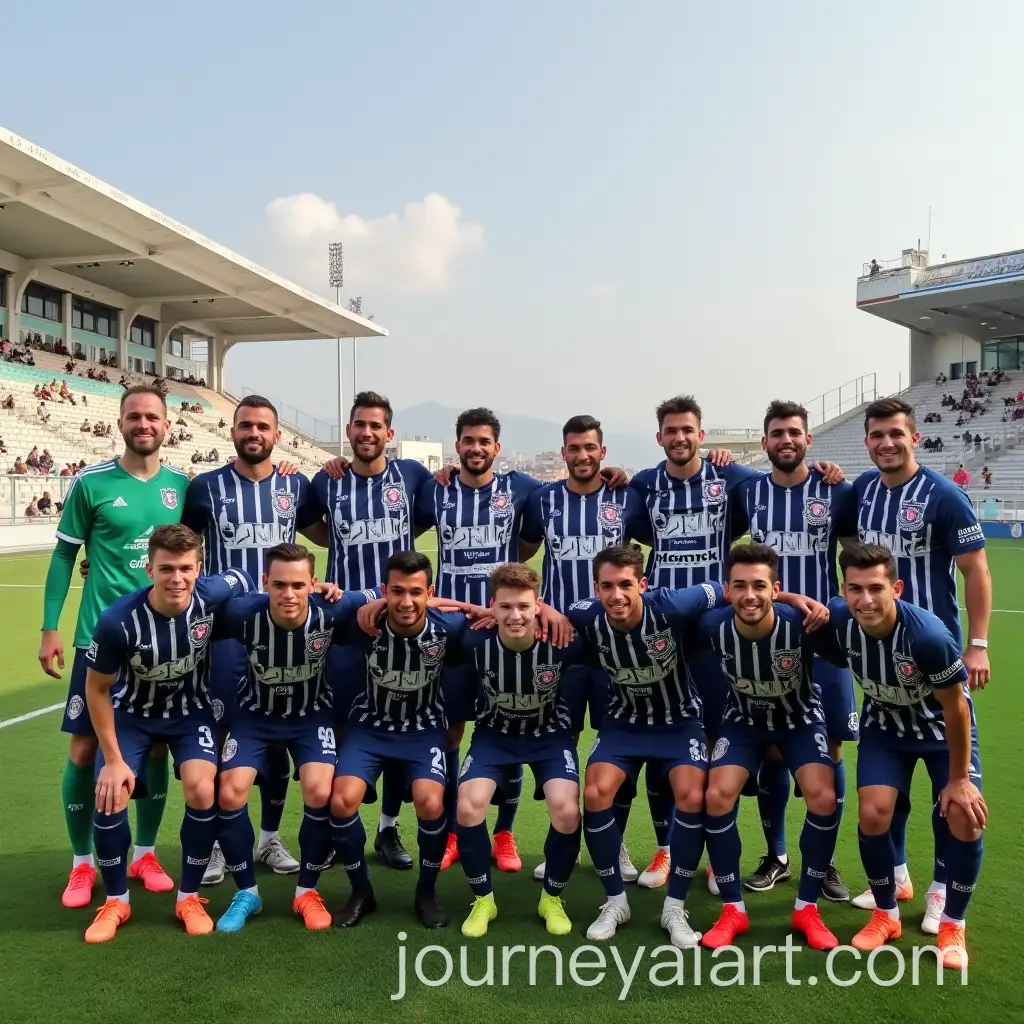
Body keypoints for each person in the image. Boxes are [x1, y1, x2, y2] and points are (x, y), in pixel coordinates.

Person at [627, 395, 839, 889]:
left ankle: (769, 855)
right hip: (669, 631)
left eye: (688, 429)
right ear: (659, 437)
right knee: (672, 737)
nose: (680, 437)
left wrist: (825, 469)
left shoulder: (732, 479)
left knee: (766, 740)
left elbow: (785, 475)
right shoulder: (642, 485)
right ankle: (669, 850)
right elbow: (623, 517)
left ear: (702, 435)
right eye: (671, 430)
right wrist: (613, 474)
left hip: (728, 629)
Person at [39, 385, 190, 910]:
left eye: (152, 417)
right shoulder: (91, 483)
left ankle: (144, 854)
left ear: (166, 426)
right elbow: (65, 556)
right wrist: (49, 627)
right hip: (98, 640)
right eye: (134, 416)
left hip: (162, 642)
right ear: (120, 423)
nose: (143, 424)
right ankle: (82, 864)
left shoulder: (182, 487)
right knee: (84, 750)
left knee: (155, 747)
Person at [850, 397, 990, 932]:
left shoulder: (944, 495)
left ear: (914, 438)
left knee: (951, 795)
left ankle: (941, 891)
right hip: (881, 662)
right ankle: (897, 877)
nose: (886, 443)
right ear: (867, 441)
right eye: (877, 435)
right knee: (884, 794)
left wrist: (977, 643)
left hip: (934, 656)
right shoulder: (862, 491)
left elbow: (976, 570)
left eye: (896, 434)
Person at [81, 524, 253, 943]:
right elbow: (97, 689)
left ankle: (188, 897)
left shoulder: (210, 594)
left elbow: (243, 578)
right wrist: (113, 760)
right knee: (111, 793)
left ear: (199, 569)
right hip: (132, 715)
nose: (177, 578)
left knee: (202, 789)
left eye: (186, 568)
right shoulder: (118, 620)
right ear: (149, 570)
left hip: (191, 713)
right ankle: (117, 900)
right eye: (166, 569)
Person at [817, 544, 985, 969]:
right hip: (885, 728)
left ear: (896, 588)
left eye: (876, 588)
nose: (866, 600)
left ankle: (953, 924)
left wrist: (959, 781)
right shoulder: (839, 622)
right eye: (855, 589)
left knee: (964, 816)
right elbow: (788, 612)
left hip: (940, 730)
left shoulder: (927, 636)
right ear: (844, 590)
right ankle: (886, 914)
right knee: (874, 812)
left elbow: (956, 708)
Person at [180, 395, 322, 885]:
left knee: (278, 735)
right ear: (233, 431)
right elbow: (182, 546)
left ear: (278, 435)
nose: (254, 433)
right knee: (223, 736)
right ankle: (221, 841)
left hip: (286, 634)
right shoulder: (205, 486)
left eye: (263, 426)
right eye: (246, 425)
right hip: (225, 635)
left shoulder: (296, 484)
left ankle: (269, 837)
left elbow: (326, 533)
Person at [207, 543, 376, 932]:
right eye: (279, 584)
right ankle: (247, 893)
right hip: (254, 715)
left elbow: (384, 596)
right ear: (265, 582)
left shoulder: (332, 609)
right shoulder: (242, 612)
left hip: (310, 716)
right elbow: (191, 607)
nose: (288, 594)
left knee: (319, 790)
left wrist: (368, 600)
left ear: (313, 584)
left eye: (298, 585)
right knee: (230, 792)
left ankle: (306, 892)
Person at [729, 400, 856, 901]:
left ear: (808, 439)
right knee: (774, 747)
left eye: (794, 433)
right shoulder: (748, 490)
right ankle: (777, 855)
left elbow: (855, 556)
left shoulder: (836, 489)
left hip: (822, 638)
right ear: (764, 442)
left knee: (832, 746)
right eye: (777, 433)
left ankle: (823, 862)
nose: (786, 440)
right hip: (766, 640)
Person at [519, 414, 646, 883]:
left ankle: (616, 841)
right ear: (564, 452)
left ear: (603, 451)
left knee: (620, 742)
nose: (582, 455)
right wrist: (539, 604)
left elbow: (654, 547)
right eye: (574, 448)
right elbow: (521, 555)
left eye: (590, 447)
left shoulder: (626, 496)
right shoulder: (543, 500)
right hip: (562, 643)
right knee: (562, 741)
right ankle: (565, 839)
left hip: (616, 643)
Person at [312, 391, 435, 870]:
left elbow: (434, 512)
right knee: (343, 724)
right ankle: (337, 830)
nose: (367, 433)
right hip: (345, 622)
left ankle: (387, 828)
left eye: (375, 426)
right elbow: (310, 526)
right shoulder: (327, 480)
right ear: (349, 431)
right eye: (359, 425)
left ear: (390, 433)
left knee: (401, 720)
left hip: (400, 620)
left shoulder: (413, 476)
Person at [696, 544, 839, 951]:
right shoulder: (711, 626)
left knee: (823, 797)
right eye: (739, 586)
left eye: (760, 586)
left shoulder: (803, 625)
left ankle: (807, 908)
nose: (750, 595)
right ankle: (732, 909)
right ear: (726, 591)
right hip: (743, 720)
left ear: (775, 590)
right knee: (716, 795)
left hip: (799, 720)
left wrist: (801, 601)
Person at [327, 551, 470, 930]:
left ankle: (426, 892)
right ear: (384, 591)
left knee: (430, 801)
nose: (406, 602)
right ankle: (361, 891)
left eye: (416, 592)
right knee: (341, 800)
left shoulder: (449, 628)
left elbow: (502, 618)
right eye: (397, 592)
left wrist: (542, 612)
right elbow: (320, 604)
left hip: (423, 730)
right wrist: (325, 588)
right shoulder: (364, 623)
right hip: (369, 727)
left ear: (430, 593)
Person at [455, 563, 583, 938]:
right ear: (492, 606)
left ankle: (552, 898)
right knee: (468, 805)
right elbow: (433, 610)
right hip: (494, 736)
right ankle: (483, 900)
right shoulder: (473, 640)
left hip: (549, 736)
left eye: (524, 606)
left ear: (538, 606)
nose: (516, 616)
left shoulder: (562, 640)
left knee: (566, 809)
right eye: (506, 606)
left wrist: (553, 613)